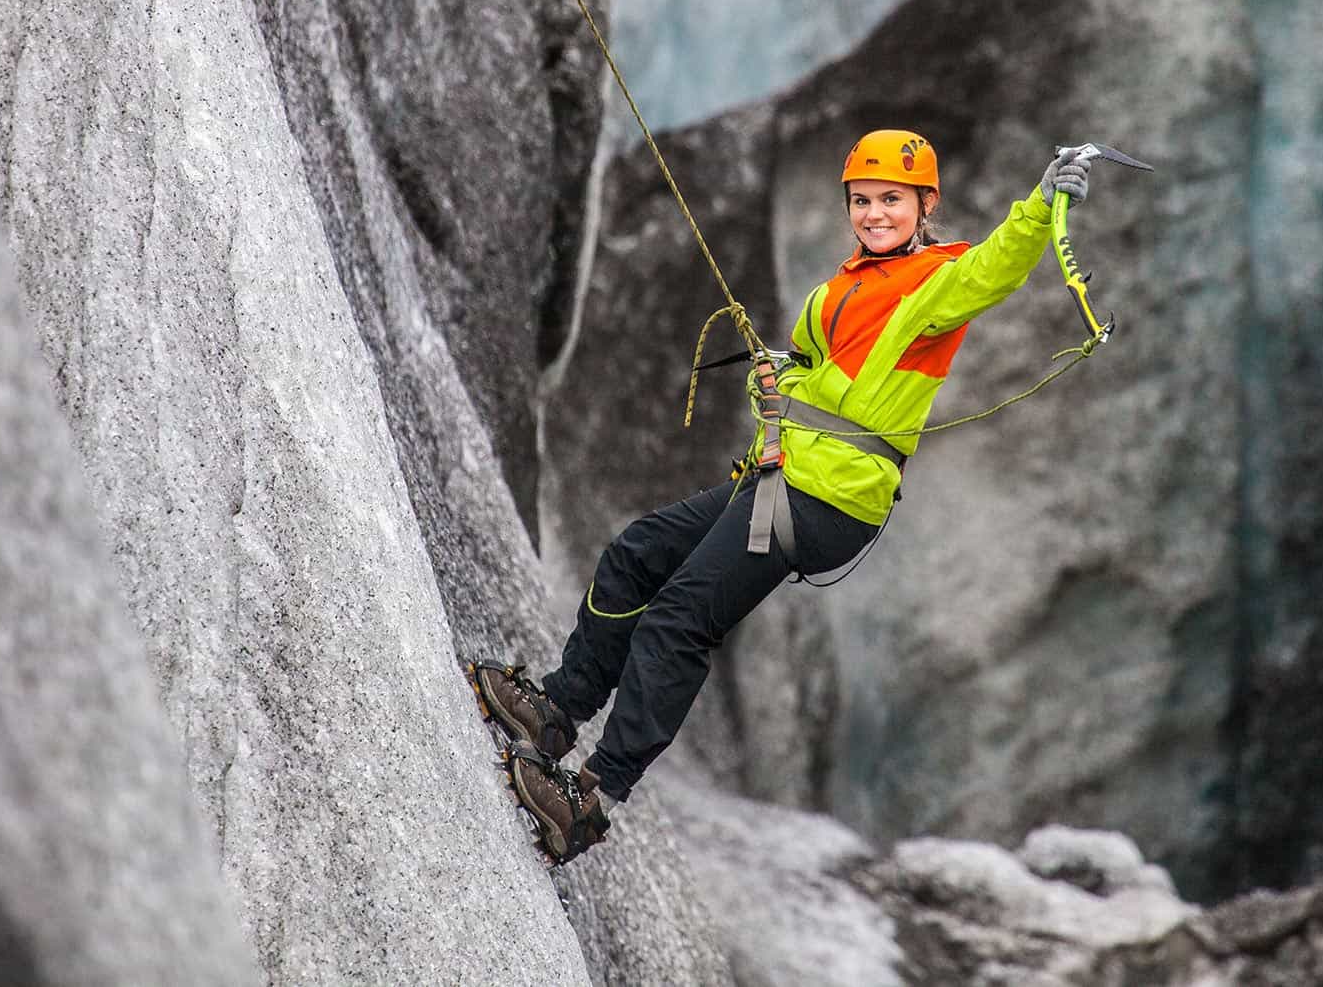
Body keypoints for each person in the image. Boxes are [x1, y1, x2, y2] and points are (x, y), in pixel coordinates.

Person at [470, 131, 1101, 864]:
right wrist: (771, 379)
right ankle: (555, 711)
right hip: (784, 478)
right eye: (862, 200)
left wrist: (1044, 200)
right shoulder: (835, 292)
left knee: (678, 618)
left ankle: (591, 800)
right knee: (637, 554)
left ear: (926, 204)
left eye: (892, 200)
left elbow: (998, 264)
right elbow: (802, 375)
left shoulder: (938, 280)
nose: (874, 213)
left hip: (829, 496)